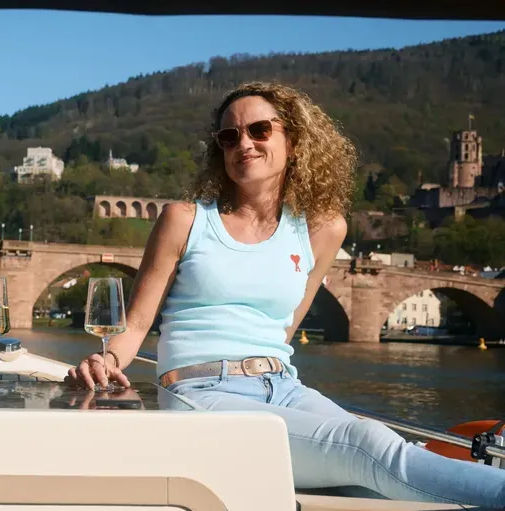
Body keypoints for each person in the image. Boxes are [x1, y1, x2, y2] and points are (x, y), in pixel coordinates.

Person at [66, 82, 505, 508]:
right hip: (201, 392)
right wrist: (106, 359)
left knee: (378, 463)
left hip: (285, 387)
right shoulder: (184, 219)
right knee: (366, 443)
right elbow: (139, 323)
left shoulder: (323, 229)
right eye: (229, 136)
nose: (245, 144)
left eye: (260, 130)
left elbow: (285, 328)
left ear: (292, 141)